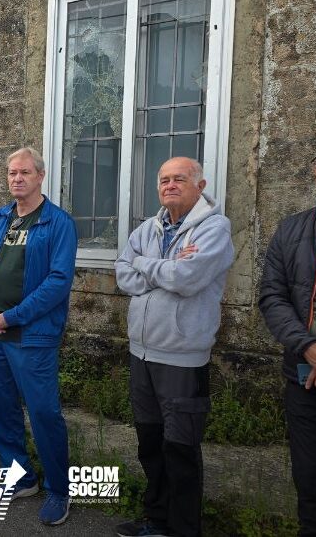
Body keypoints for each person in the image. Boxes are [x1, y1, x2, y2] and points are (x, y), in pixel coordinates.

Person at [114, 157, 234, 537]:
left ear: (200, 186)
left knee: (180, 449)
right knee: (150, 443)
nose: (170, 185)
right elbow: (123, 274)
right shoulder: (147, 228)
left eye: (179, 179)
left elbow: (187, 278)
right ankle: (156, 518)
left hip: (182, 357)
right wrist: (163, 266)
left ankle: (183, 529)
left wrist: (145, 263)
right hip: (141, 352)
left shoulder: (215, 228)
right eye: (164, 179)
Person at [0, 147, 77, 526]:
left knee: (44, 413)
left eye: (25, 172)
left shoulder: (58, 223)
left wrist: (12, 317)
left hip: (32, 336)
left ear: (40, 176)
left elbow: (58, 282)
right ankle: (21, 478)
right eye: (12, 172)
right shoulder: (0, 218)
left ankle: (59, 490)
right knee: (0, 406)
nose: (17, 178)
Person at [259, 127, 316, 536]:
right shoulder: (291, 230)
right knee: (314, 492)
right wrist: (309, 348)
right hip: (306, 380)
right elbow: (272, 296)